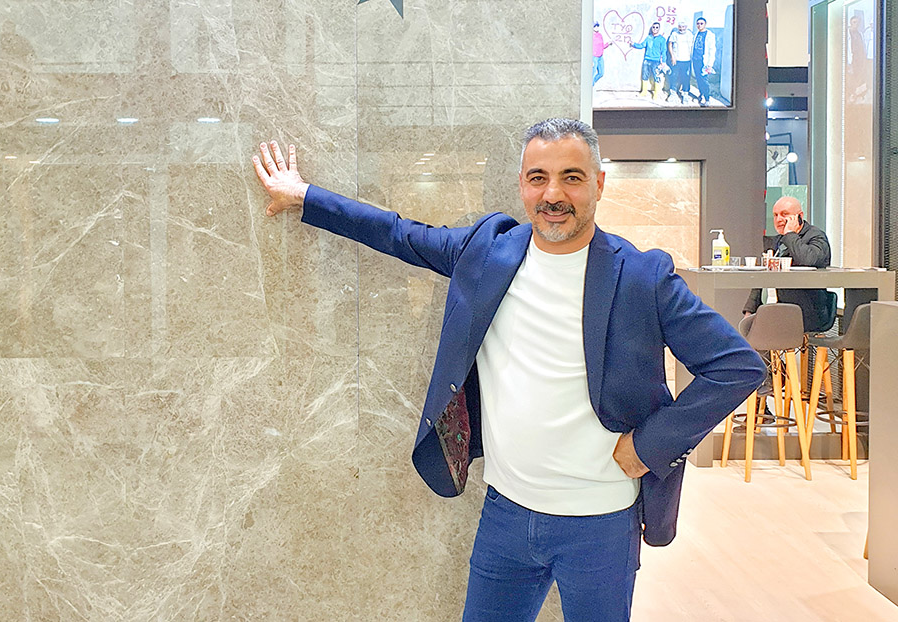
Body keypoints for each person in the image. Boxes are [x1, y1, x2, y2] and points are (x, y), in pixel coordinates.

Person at [253, 118, 764, 622]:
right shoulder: (488, 252)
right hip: (506, 516)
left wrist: (650, 446)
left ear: (599, 183)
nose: (553, 194)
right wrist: (304, 197)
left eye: (572, 177)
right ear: (522, 184)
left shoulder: (641, 276)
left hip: (600, 524)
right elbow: (398, 233)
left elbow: (737, 366)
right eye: (539, 177)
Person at [744, 196, 833, 332]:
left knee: (763, 332)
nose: (778, 219)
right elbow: (764, 276)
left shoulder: (816, 236)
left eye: (784, 214)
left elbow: (808, 260)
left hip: (805, 310)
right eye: (775, 215)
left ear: (799, 216)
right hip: (772, 308)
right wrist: (749, 310)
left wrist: (790, 234)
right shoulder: (777, 241)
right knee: (747, 328)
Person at [631, 22, 667, 100]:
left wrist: (663, 61)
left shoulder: (662, 39)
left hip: (656, 61)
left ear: (659, 28)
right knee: (644, 75)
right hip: (647, 60)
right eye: (653, 27)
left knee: (656, 76)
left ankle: (656, 93)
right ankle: (644, 92)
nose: (655, 29)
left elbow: (664, 51)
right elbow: (642, 45)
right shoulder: (648, 38)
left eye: (657, 27)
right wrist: (633, 44)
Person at [691, 17, 717, 106]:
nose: (699, 25)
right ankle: (701, 94)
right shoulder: (696, 34)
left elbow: (712, 50)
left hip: (704, 61)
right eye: (698, 23)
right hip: (696, 60)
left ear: (705, 24)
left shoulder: (710, 35)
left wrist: (710, 65)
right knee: (698, 79)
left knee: (704, 80)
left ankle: (707, 99)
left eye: (701, 23)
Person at [667, 20, 694, 103]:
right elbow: (670, 44)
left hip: (687, 60)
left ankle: (685, 94)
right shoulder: (674, 34)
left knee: (686, 77)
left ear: (686, 27)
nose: (682, 29)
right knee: (674, 76)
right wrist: (672, 56)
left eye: (683, 27)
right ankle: (673, 93)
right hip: (676, 60)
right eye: (680, 27)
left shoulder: (690, 34)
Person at [592, 22, 611, 86]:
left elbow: (602, 46)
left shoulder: (600, 35)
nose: (596, 27)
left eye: (597, 26)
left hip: (600, 57)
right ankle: (591, 85)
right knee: (592, 73)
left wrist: (608, 43)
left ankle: (592, 82)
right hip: (594, 57)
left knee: (601, 73)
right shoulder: (591, 36)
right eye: (595, 26)